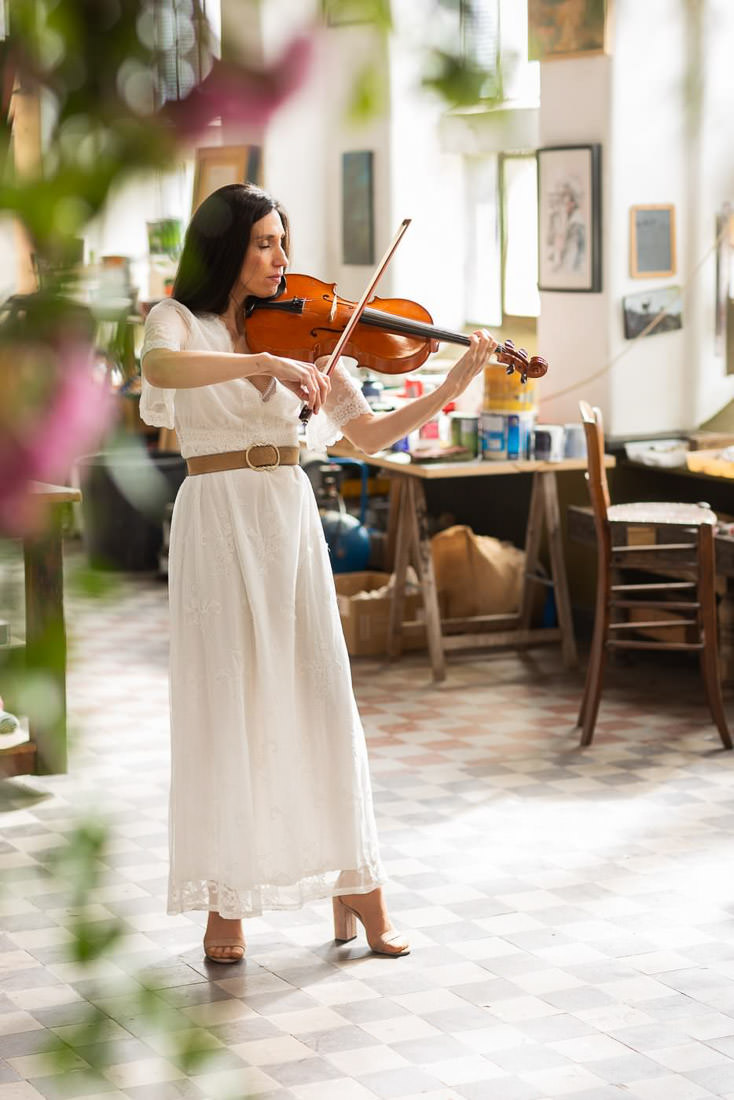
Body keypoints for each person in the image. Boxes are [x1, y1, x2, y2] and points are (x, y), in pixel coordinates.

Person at [140, 183, 496, 963]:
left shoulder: (313, 337)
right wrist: (260, 357)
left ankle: (358, 886)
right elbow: (163, 370)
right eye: (264, 243)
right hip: (214, 515)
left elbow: (369, 434)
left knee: (321, 698)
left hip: (284, 517)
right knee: (221, 706)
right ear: (226, 249)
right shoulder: (179, 321)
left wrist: (447, 387)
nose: (281, 259)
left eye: (283, 242)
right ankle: (224, 902)